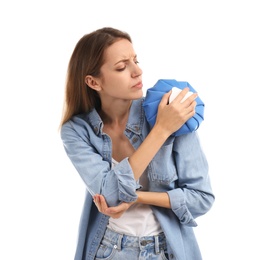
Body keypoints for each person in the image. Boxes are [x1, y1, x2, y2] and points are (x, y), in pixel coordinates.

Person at [60, 27, 215, 260]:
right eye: (122, 67)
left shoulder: (169, 111)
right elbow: (110, 196)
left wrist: (138, 198)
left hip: (167, 251)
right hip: (109, 251)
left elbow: (201, 199)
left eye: (136, 60)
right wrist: (161, 130)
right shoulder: (77, 131)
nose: (138, 71)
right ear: (93, 82)